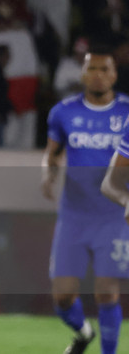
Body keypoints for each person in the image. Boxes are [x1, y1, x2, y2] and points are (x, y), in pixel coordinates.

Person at [42, 47, 129, 354]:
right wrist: (47, 173)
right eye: (92, 69)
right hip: (74, 215)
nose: (98, 75)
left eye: (105, 69)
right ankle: (83, 333)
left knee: (107, 292)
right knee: (62, 296)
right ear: (82, 74)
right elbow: (52, 153)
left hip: (114, 215)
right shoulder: (63, 112)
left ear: (114, 75)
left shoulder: (126, 112)